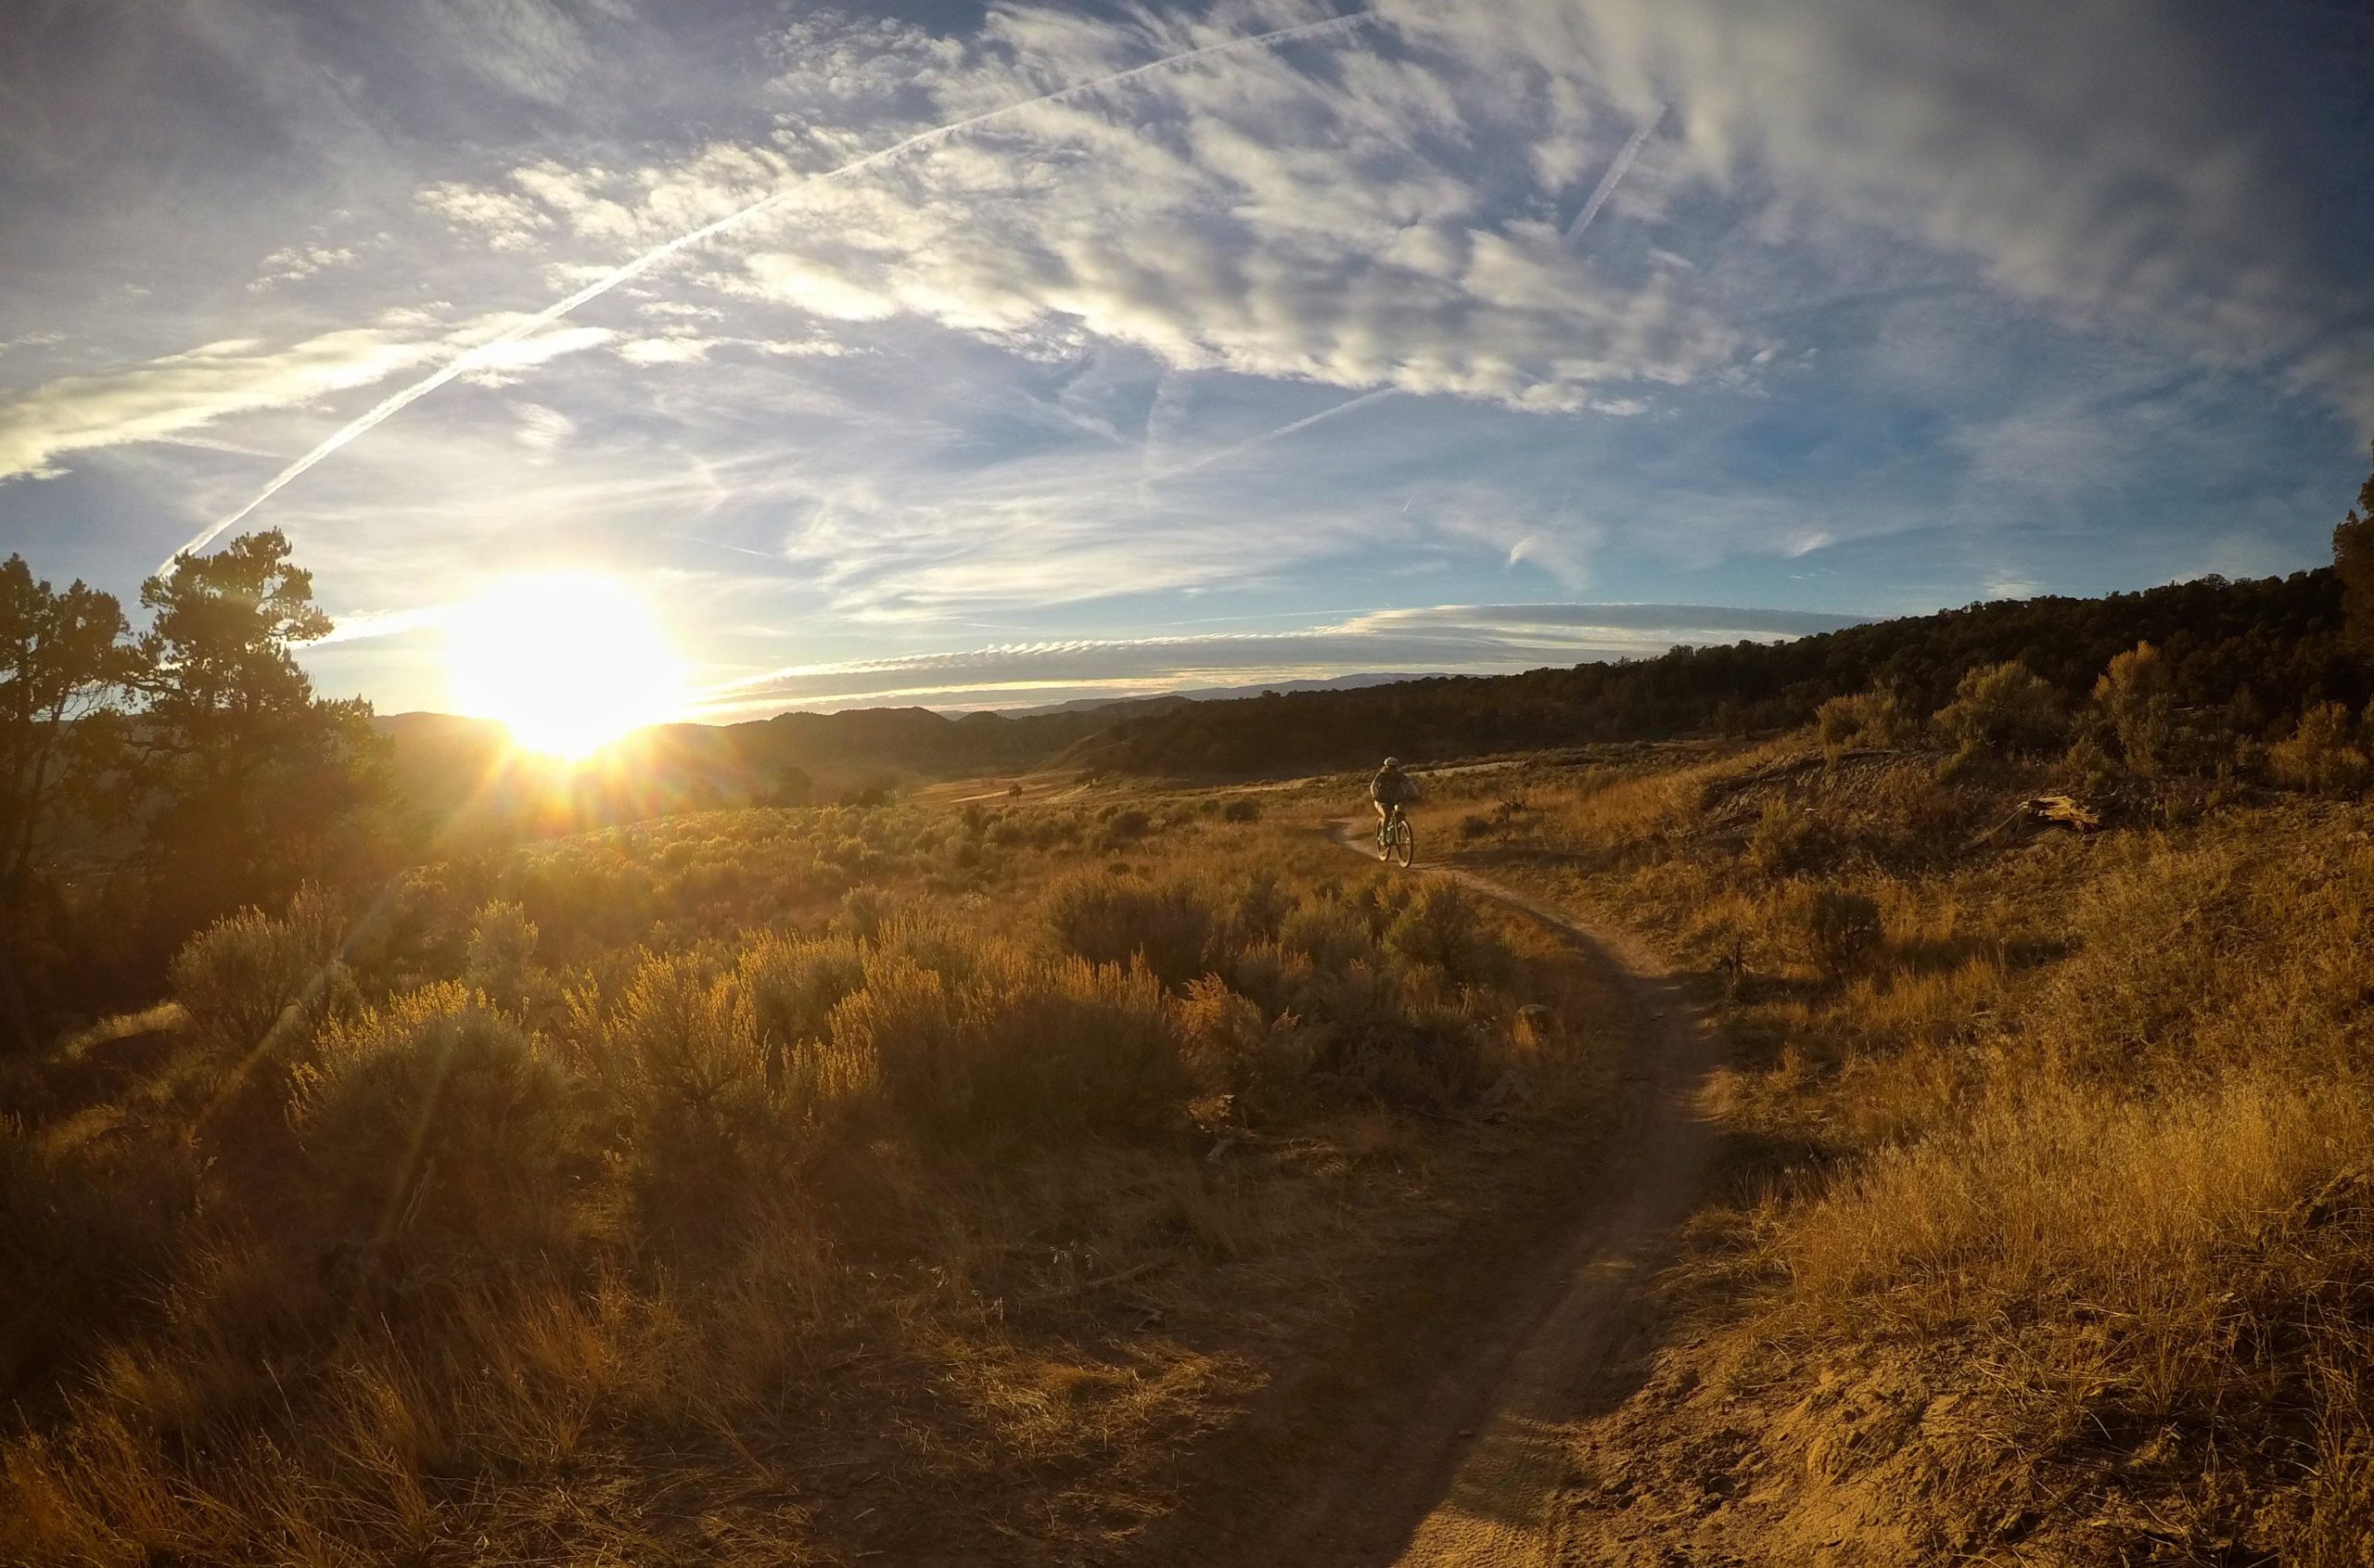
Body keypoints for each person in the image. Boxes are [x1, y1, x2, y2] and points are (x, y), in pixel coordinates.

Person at [1371, 755, 1420, 853]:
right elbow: (1373, 785)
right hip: (1381, 800)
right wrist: (1374, 795)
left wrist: (1416, 794)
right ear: (1386, 767)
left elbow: (1409, 784)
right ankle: (1384, 839)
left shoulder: (1399, 775)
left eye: (1394, 767)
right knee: (1387, 815)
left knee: (1400, 815)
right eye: (1390, 767)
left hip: (1395, 800)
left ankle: (1400, 833)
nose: (1392, 769)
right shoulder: (1381, 775)